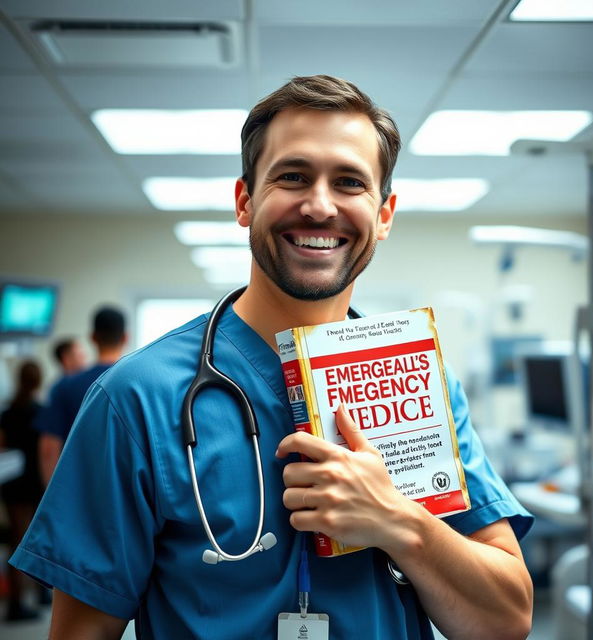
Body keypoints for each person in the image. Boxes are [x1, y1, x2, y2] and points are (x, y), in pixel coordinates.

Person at [11, 75, 534, 639]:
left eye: (350, 182)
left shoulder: (422, 384)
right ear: (245, 200)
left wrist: (398, 520)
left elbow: (505, 621)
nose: (318, 205)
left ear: (384, 216)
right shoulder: (135, 399)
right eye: (293, 176)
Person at [37, 306, 127, 484]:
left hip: (77, 490)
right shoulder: (139, 384)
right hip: (126, 492)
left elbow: (49, 448)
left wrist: (52, 498)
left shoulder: (65, 385)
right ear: (126, 337)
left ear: (92, 337)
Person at [0, 360, 45, 621]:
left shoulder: (8, 412)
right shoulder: (41, 411)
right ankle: (29, 598)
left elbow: (2, 445)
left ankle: (18, 599)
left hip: (12, 484)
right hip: (34, 484)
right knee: (35, 541)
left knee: (16, 540)